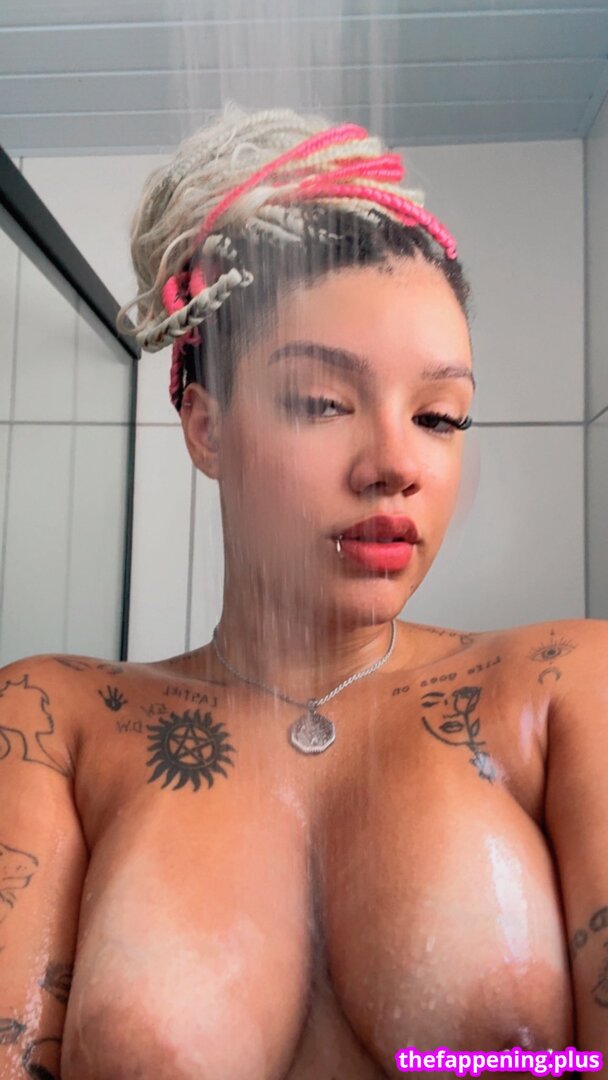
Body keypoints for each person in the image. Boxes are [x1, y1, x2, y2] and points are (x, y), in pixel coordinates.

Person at [0, 105, 606, 1080]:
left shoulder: (565, 689)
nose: (394, 464)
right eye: (322, 402)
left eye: (439, 416)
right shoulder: (54, 724)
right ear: (205, 427)